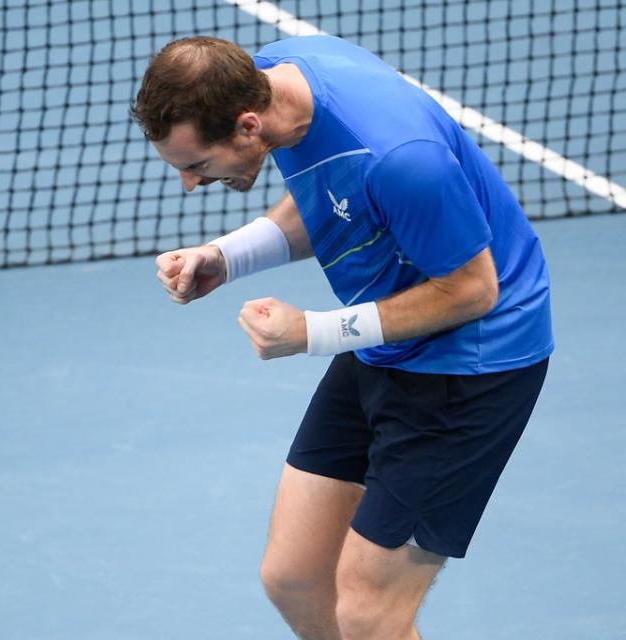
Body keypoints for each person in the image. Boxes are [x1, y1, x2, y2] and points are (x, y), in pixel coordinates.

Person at [131, 35, 553, 639]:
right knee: (295, 578)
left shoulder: (403, 157)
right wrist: (226, 256)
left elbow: (471, 291)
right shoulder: (275, 73)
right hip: (389, 336)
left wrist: (314, 333)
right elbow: (335, 195)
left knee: (369, 613)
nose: (191, 185)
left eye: (196, 165)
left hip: (472, 364)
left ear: (248, 125)